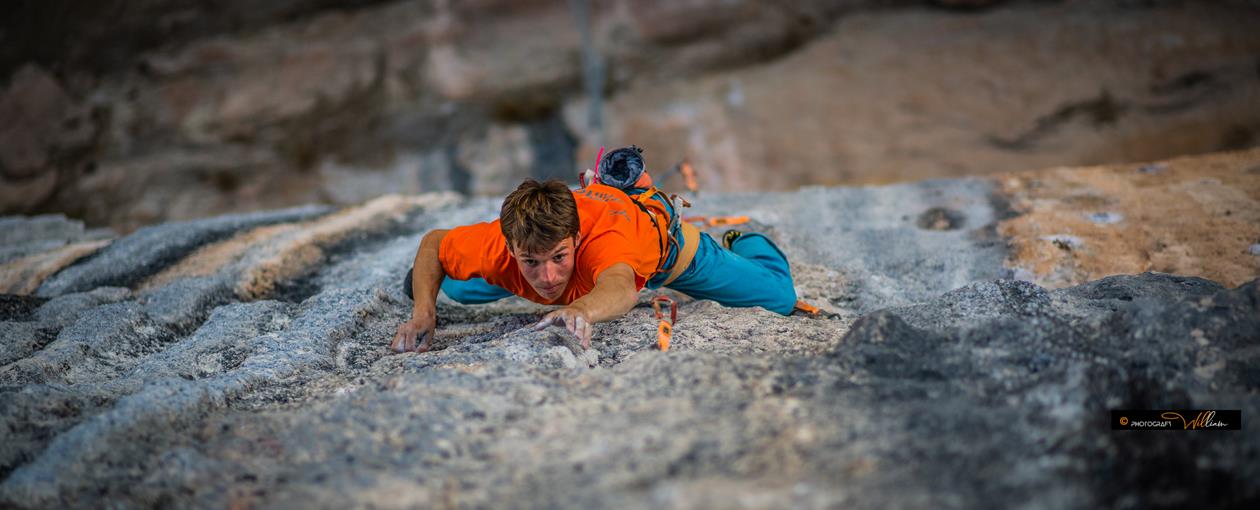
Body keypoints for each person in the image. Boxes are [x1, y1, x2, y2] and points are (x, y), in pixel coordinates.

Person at [390, 146, 796, 353]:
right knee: (455, 286)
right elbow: (435, 244)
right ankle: (450, 285)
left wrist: (581, 309)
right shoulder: (495, 244)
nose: (548, 278)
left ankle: (745, 242)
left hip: (667, 255)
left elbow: (620, 288)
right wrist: (423, 311)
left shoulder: (607, 247)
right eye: (531, 261)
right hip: (568, 246)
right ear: (511, 245)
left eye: (559, 258)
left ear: (578, 240)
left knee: (780, 297)